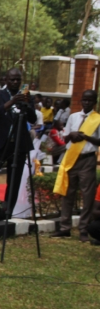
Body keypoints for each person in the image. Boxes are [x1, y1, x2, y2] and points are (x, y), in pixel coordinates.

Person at [0, 68, 36, 215]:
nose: (15, 82)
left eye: (18, 80)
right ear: (6, 80)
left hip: (19, 144)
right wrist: (12, 102)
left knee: (14, 180)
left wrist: (26, 104)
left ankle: (7, 211)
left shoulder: (26, 95)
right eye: (12, 79)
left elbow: (33, 119)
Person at [51, 90, 100, 242]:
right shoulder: (73, 117)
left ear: (94, 102)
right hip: (72, 158)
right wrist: (72, 135)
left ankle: (83, 230)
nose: (86, 103)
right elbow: (64, 138)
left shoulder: (97, 119)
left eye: (89, 100)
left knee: (87, 195)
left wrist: (86, 137)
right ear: (81, 101)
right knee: (68, 193)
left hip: (87, 159)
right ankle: (65, 227)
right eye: (84, 100)